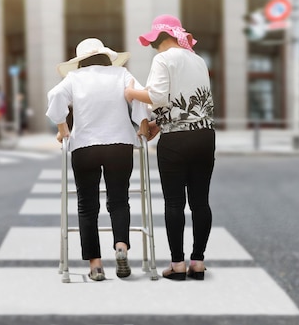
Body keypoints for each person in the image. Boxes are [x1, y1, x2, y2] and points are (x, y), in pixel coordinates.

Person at [46, 38, 149, 281]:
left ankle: (96, 265)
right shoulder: (121, 74)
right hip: (120, 144)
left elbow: (55, 96)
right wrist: (142, 126)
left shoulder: (74, 79)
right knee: (119, 200)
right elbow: (141, 96)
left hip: (85, 146)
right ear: (106, 56)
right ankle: (121, 247)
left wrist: (63, 129)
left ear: (80, 61)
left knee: (87, 205)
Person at [125, 15, 216, 281]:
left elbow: (158, 96)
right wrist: (160, 123)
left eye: (154, 42)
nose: (153, 47)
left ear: (161, 39)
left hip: (176, 141)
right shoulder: (198, 60)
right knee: (200, 202)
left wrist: (131, 93)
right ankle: (198, 261)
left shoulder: (163, 59)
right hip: (205, 136)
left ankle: (177, 265)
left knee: (175, 202)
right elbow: (189, 104)